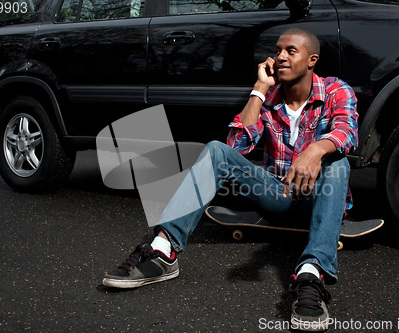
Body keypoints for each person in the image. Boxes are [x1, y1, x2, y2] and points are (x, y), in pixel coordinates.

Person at [102, 28, 358, 331]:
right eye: (277, 51)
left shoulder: (335, 90)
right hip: (277, 196)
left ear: (312, 59)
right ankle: (163, 250)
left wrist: (316, 149)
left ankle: (311, 275)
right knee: (216, 151)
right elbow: (237, 143)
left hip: (322, 197)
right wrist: (259, 90)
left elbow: (347, 132)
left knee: (338, 162)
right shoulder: (270, 98)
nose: (280, 58)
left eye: (291, 51)